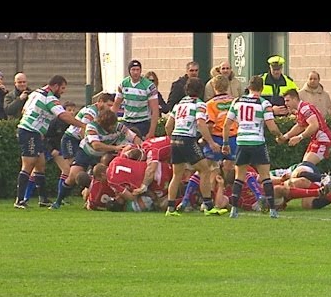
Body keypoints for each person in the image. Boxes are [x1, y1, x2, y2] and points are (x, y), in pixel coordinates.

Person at [13, 75, 86, 209]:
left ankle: (43, 199)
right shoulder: (50, 97)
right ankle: (20, 200)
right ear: (56, 86)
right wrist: (82, 125)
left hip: (33, 131)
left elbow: (24, 109)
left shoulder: (36, 92)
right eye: (62, 88)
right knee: (28, 165)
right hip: (30, 132)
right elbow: (63, 115)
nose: (63, 91)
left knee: (40, 165)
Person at [49, 108, 141, 209]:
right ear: (104, 125)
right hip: (86, 152)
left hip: (102, 155)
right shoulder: (92, 127)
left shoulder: (118, 126)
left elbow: (134, 137)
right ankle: (58, 201)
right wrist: (115, 148)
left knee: (106, 172)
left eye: (114, 124)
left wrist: (142, 148)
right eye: (110, 126)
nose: (113, 127)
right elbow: (96, 145)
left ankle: (99, 198)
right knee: (73, 175)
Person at [222, 75, 285, 219]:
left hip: (242, 142)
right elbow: (271, 126)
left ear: (248, 87)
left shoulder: (237, 101)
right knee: (265, 177)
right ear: (262, 88)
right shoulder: (263, 103)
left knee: (239, 177)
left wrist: (225, 144)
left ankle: (234, 210)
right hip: (257, 142)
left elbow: (226, 124)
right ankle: (272, 211)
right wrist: (280, 136)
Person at [164, 77, 226, 217]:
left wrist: (172, 138)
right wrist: (211, 142)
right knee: (205, 170)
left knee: (177, 174)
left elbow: (168, 125)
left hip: (175, 139)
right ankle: (209, 206)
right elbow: (200, 123)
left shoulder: (179, 104)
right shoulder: (199, 104)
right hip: (187, 139)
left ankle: (170, 208)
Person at [277, 89, 331, 167]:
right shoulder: (301, 109)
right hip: (316, 140)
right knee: (304, 166)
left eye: (287, 101)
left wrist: (299, 137)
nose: (285, 103)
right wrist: (285, 137)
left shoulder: (305, 108)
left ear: (295, 99)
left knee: (305, 167)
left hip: (323, 140)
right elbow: (300, 126)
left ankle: (322, 178)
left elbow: (314, 125)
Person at [111, 59, 159, 139]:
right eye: (133, 70)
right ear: (129, 71)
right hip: (127, 121)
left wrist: (151, 132)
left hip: (142, 122)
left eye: (138, 70)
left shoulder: (149, 86)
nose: (136, 72)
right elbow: (116, 105)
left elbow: (155, 110)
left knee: (139, 146)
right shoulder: (123, 84)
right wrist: (110, 122)